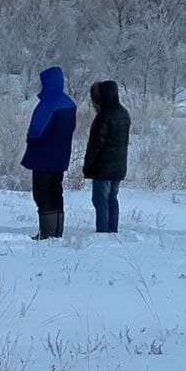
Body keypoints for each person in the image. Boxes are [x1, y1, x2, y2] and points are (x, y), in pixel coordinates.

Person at [21, 66, 77, 240]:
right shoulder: (69, 103)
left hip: (43, 157)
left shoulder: (48, 104)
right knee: (56, 190)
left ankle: (46, 232)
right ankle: (57, 231)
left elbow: (36, 131)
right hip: (61, 156)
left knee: (42, 193)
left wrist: (30, 139)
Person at [83, 80, 130, 233]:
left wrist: (88, 165)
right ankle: (112, 230)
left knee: (100, 200)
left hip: (103, 167)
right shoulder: (124, 113)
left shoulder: (103, 116)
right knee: (112, 198)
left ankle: (102, 231)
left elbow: (95, 144)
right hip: (119, 166)